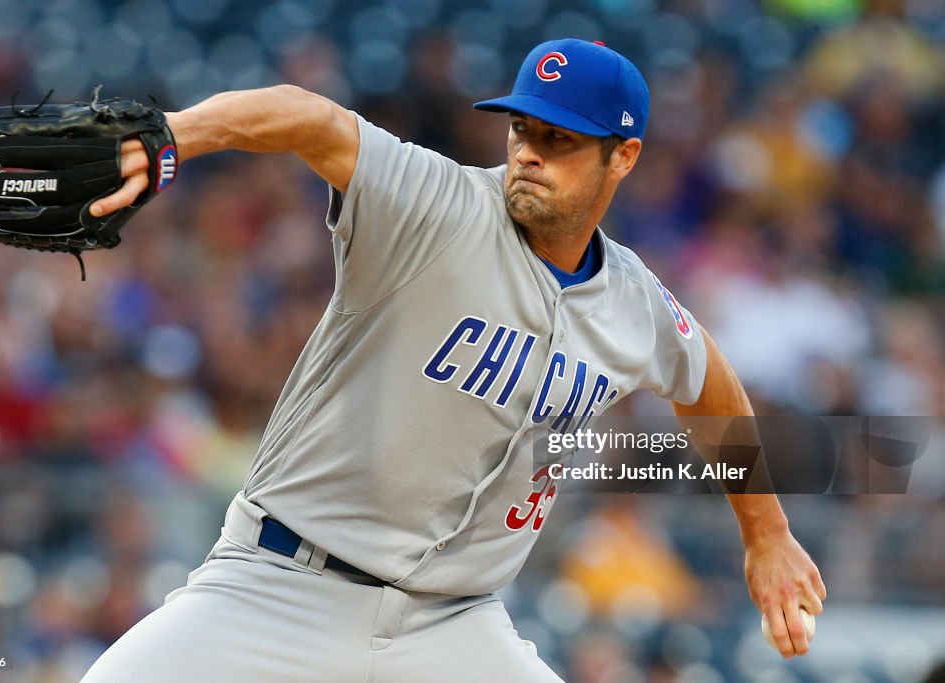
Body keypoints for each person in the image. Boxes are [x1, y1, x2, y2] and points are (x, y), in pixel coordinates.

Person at [79, 38, 826, 682]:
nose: (531, 151)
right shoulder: (436, 204)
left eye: (561, 139)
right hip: (278, 585)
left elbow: (711, 384)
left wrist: (765, 532)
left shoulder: (635, 301)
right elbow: (309, 118)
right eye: (523, 128)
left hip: (451, 627)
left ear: (622, 156)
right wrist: (174, 134)